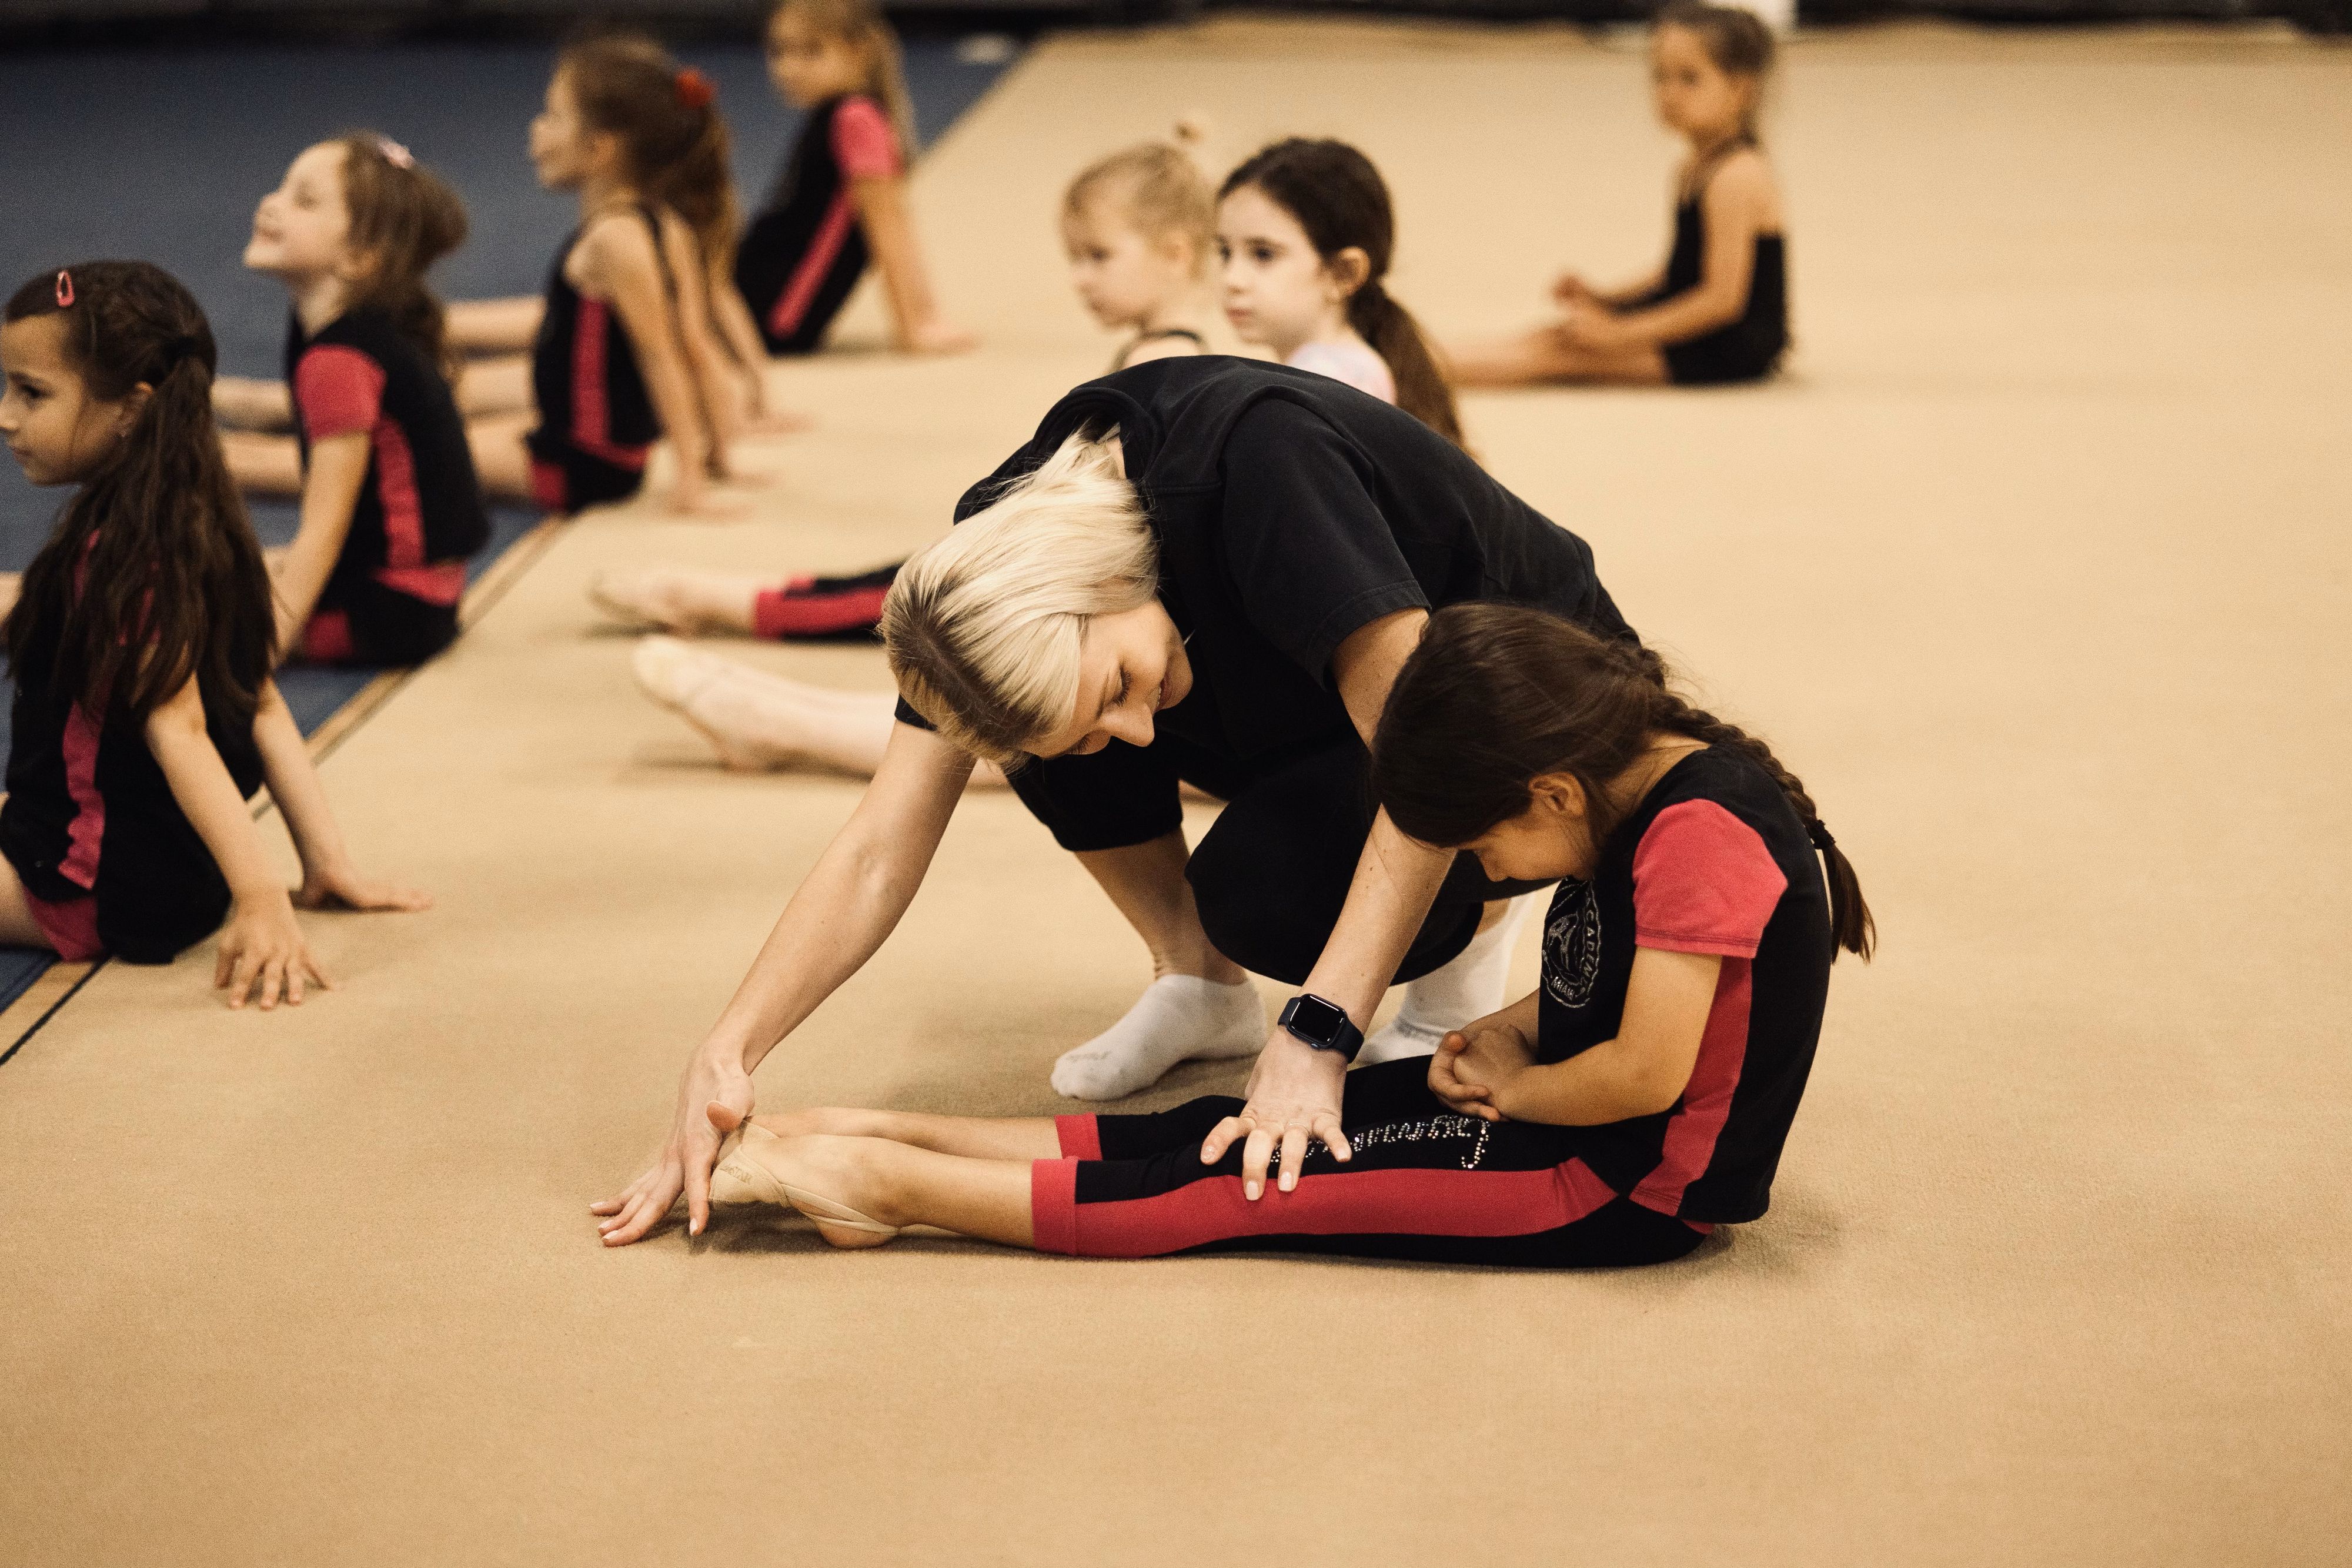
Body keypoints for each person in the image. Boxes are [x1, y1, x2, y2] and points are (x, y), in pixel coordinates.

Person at [592, 354, 1641, 1245]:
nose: (1140, 742)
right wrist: (728, 1046)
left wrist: (1319, 1033)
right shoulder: (985, 572)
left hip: (1513, 704)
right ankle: (1200, 983)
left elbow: (1429, 763)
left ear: (1103, 578)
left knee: (1270, 889)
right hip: (1297, 696)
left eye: (1122, 691)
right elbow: (879, 844)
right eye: (1115, 715)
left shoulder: (1264, 468)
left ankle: (1466, 947)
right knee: (1048, 735)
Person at [611, 604, 1869, 1265]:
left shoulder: (1701, 830)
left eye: (1482, 853)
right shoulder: (1619, 782)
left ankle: (879, 1184)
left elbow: (1651, 1071)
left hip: (1616, 1183)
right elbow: (1616, 983)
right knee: (1230, 1127)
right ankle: (878, 1129)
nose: (1487, 875)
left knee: (1255, 1187)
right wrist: (1510, 1028)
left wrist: (1528, 1084)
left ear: (1544, 793)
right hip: (1568, 1109)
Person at [590, 127, 1220, 644]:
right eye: (1075, 259)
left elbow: (1110, 492)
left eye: (1098, 258)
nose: (1080, 280)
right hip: (1066, 558)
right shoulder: (1177, 341)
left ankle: (707, 599)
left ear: (1174, 253)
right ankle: (715, 595)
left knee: (904, 598)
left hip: (1066, 572)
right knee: (905, 580)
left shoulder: (1161, 358)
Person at [0, 262, 428, 999]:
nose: (6, 416)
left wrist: (263, 899)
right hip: (179, 875)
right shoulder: (207, 526)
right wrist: (325, 862)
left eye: (32, 393)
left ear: (133, 408)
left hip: (86, 887)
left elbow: (182, 730)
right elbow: (258, 701)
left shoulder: (124, 560)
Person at [212, 133, 490, 666]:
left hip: (388, 611)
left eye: (305, 200)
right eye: (282, 188)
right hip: (416, 594)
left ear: (362, 255)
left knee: (120, 614)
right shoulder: (349, 329)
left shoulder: (340, 359)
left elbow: (323, 531)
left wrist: (262, 649)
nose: (272, 203)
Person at [453, 37, 744, 516]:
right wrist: (720, 455)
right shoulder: (667, 225)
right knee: (428, 423)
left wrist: (691, 484)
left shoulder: (613, 241)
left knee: (387, 458)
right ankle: (281, 405)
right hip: (583, 449)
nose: (537, 131)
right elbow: (699, 347)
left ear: (599, 148)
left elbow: (663, 359)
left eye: (553, 117)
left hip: (576, 468)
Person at [1449, 1, 1788, 388]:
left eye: (1689, 79)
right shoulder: (1696, 167)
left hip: (1727, 348)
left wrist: (1619, 334)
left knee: (1559, 356)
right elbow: (1679, 273)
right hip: (1700, 327)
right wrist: (1606, 298)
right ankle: (1419, 357)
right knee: (1557, 335)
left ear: (1741, 89)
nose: (1669, 94)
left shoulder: (1738, 177)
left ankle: (1414, 376)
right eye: (1660, 78)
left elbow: (1721, 300)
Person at [737, 0, 974, 357]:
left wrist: (916, 327)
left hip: (774, 317)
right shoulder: (838, 113)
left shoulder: (854, 117)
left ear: (860, 53)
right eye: (780, 52)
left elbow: (888, 229)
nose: (789, 68)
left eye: (811, 52)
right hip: (756, 295)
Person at [1217, 138, 1462, 443]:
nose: (1232, 279)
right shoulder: (1324, 375)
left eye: (1263, 254)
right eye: (1225, 252)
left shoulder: (1328, 381)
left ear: (1342, 274)